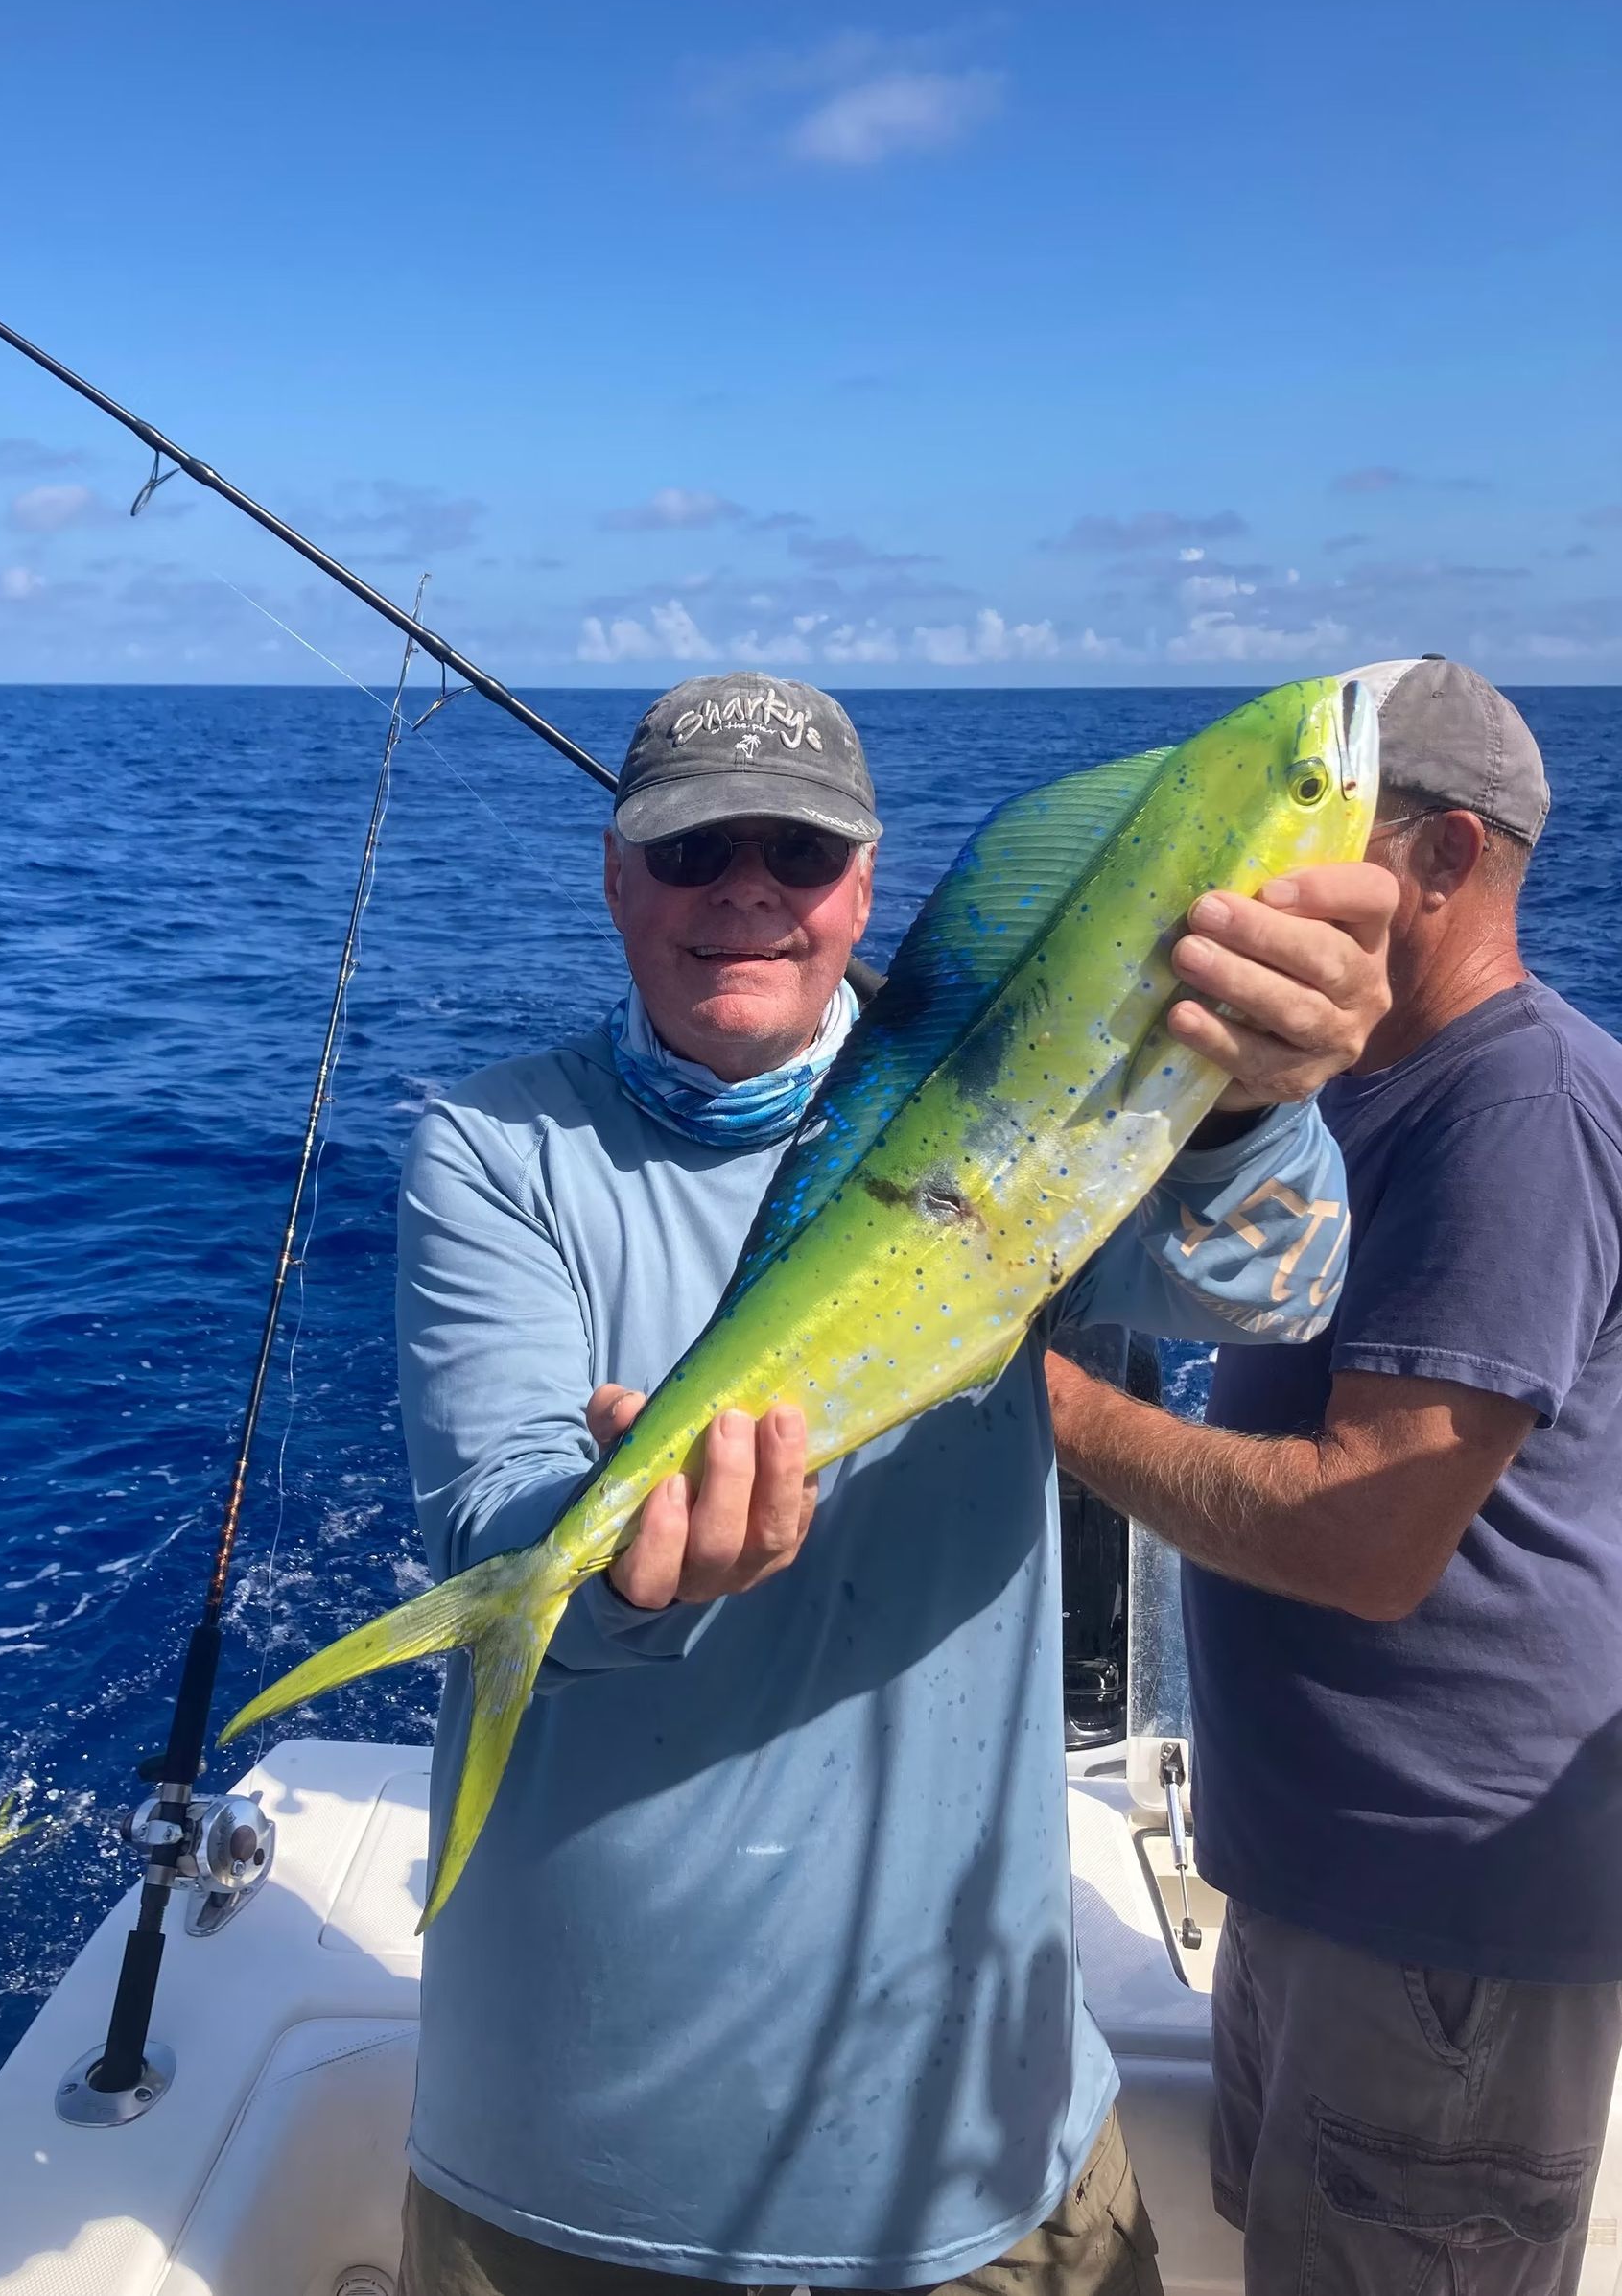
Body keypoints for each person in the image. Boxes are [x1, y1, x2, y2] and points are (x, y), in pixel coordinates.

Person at [393, 671, 1395, 2295]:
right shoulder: (496, 1150)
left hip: (978, 2144)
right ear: (613, 873)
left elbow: (1273, 1288)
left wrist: (1256, 1101)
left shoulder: (1023, 1086)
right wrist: (625, 1569)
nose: (748, 889)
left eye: (798, 851)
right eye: (693, 844)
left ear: (865, 883)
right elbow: (499, 1507)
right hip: (569, 2158)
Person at [1045, 656, 1622, 2295]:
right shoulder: (1361, 1080)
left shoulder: (1517, 1109)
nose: (1260, 875)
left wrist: (1056, 1409)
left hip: (1444, 1933)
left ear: (1440, 861)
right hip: (1320, 1877)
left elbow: (1373, 1534)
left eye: (1320, 829)